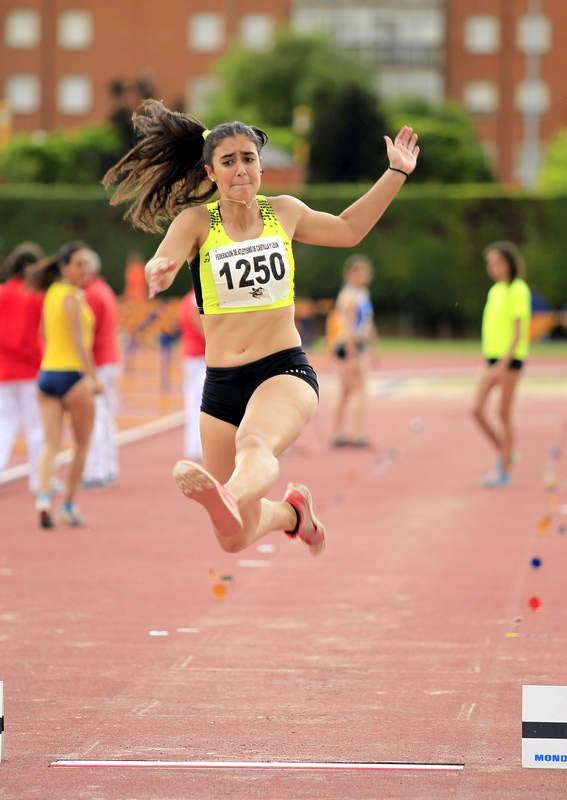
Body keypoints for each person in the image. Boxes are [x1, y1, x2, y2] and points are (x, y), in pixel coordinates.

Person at [103, 99, 419, 555]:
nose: (240, 170)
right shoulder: (197, 222)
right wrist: (162, 268)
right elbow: (167, 255)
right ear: (211, 173)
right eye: (228, 162)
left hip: (282, 371)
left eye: (248, 159)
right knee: (231, 537)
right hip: (222, 385)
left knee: (255, 443)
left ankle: (228, 493)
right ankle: (291, 514)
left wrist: (396, 173)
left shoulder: (283, 213)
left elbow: (349, 229)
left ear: (261, 166)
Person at [29, 242, 102, 528]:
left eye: (87, 264)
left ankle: (44, 499)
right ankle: (69, 505)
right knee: (81, 445)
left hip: (47, 374)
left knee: (50, 443)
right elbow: (79, 342)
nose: (85, 270)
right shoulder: (72, 296)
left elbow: (44, 332)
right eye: (79, 264)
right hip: (72, 376)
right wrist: (93, 378)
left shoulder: (51, 293)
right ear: (64, 267)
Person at [472, 241, 531, 488]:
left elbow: (518, 332)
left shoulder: (518, 289)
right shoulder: (496, 290)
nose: (494, 268)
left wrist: (503, 363)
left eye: (498, 262)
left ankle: (503, 469)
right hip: (492, 359)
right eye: (491, 263)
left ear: (510, 263)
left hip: (510, 360)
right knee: (476, 410)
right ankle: (506, 452)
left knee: (503, 414)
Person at [0, 243, 45, 492]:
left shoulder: (2, 292)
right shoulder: (37, 296)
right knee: (36, 426)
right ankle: (39, 479)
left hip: (3, 370)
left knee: (3, 423)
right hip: (31, 370)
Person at [330, 254, 377, 448]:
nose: (367, 275)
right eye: (363, 271)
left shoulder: (362, 293)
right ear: (353, 273)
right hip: (350, 348)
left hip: (358, 347)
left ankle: (339, 433)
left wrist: (374, 347)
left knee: (347, 391)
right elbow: (348, 326)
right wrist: (351, 354)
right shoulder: (349, 295)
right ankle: (357, 434)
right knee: (356, 391)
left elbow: (367, 323)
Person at [82, 249, 121, 487]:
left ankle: (96, 469)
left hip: (97, 361)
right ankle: (107, 464)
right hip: (109, 359)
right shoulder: (103, 290)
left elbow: (85, 335)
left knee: (94, 417)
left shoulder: (90, 295)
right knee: (105, 416)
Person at [179, 288, 206, 460]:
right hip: (199, 356)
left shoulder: (189, 296)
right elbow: (195, 318)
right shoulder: (198, 295)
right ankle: (197, 446)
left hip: (194, 356)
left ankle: (194, 446)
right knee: (201, 402)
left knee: (194, 401)